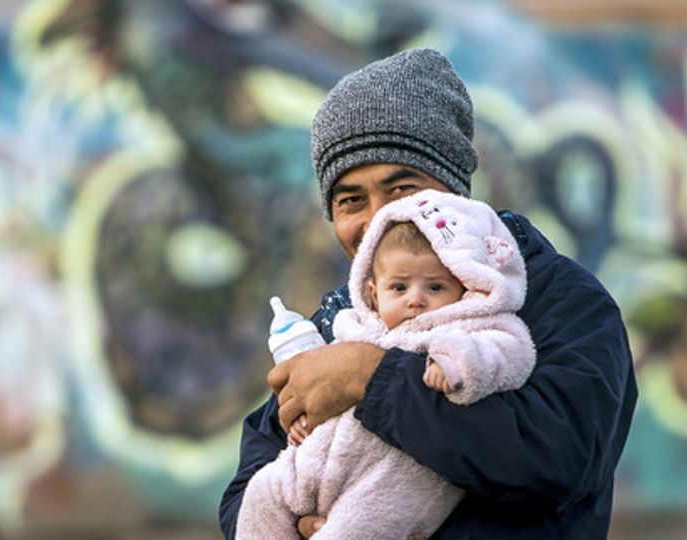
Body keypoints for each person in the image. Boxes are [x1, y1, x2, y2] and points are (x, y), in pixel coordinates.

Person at [219, 48, 638, 539]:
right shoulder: (341, 319)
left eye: (402, 189)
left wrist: (372, 379)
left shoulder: (561, 301)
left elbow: (563, 459)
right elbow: (245, 488)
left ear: (456, 192)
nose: (379, 218)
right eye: (351, 199)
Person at [236, 190, 537, 539]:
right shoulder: (352, 325)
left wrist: (457, 365)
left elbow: (512, 352)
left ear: (464, 287)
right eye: (399, 287)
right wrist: (305, 424)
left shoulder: (465, 326)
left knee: (353, 530)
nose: (415, 299)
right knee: (260, 495)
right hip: (321, 461)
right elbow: (320, 394)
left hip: (396, 480)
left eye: (435, 286)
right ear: (374, 293)